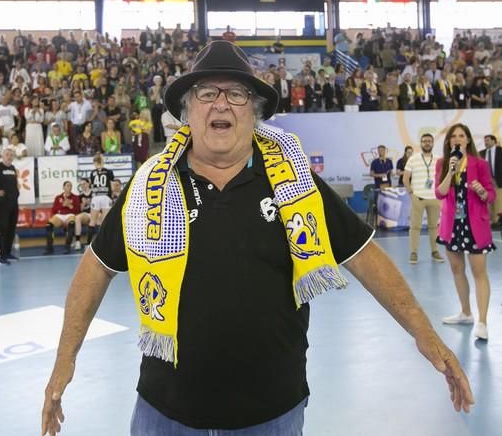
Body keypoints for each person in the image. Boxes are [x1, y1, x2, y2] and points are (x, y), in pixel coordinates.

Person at [41, 41, 473, 436]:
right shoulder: (147, 188)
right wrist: (65, 358)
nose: (221, 104)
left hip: (272, 415)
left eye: (236, 94)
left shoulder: (295, 184)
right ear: (188, 112)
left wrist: (425, 334)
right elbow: (96, 266)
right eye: (207, 94)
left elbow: (365, 257)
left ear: (255, 110)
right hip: (165, 413)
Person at [435, 123, 496, 341]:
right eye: (454, 136)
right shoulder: (443, 163)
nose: (458, 139)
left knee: (479, 273)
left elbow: (491, 195)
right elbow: (440, 193)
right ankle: (466, 312)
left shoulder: (480, 164)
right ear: (449, 142)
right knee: (456, 270)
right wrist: (451, 172)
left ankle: (482, 322)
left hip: (475, 225)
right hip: (452, 226)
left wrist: (482, 191)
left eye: (462, 136)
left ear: (468, 140)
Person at [403, 134, 444, 264]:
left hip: (434, 198)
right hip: (418, 198)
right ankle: (413, 252)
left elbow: (443, 178)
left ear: (433, 143)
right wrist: (411, 193)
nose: (427, 143)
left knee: (434, 227)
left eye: (429, 141)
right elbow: (405, 178)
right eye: (424, 141)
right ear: (420, 143)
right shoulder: (413, 159)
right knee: (415, 227)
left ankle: (435, 251)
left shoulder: (439, 159)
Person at [45, 181, 80, 255]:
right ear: (63, 187)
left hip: (70, 215)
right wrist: (63, 205)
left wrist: (70, 206)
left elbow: (78, 211)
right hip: (60, 215)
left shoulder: (75, 197)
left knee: (71, 224)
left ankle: (67, 247)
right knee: (49, 225)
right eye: (67, 186)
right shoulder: (58, 197)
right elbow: (54, 210)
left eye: (70, 186)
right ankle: (49, 248)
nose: (69, 187)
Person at [86, 153, 114, 245]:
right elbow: (112, 187)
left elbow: (92, 185)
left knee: (92, 221)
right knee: (105, 222)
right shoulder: (109, 172)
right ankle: (104, 244)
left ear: (95, 162)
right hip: (105, 197)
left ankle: (88, 244)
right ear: (102, 161)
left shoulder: (92, 173)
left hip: (96, 197)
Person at [479, 134, 502, 227]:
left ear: (493, 141)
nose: (485, 142)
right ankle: (491, 221)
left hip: (499, 180)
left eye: (488, 140)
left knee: (498, 201)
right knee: (488, 201)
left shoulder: (500, 151)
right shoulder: (481, 153)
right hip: (485, 182)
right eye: (485, 141)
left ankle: (498, 220)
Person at [73, 177, 92, 250]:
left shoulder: (94, 193)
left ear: (88, 183)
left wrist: (90, 202)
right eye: (81, 185)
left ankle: (93, 242)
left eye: (84, 184)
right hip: (86, 214)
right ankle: (77, 241)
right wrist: (83, 204)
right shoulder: (80, 196)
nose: (83, 186)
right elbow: (79, 210)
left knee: (102, 218)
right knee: (78, 217)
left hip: (95, 213)